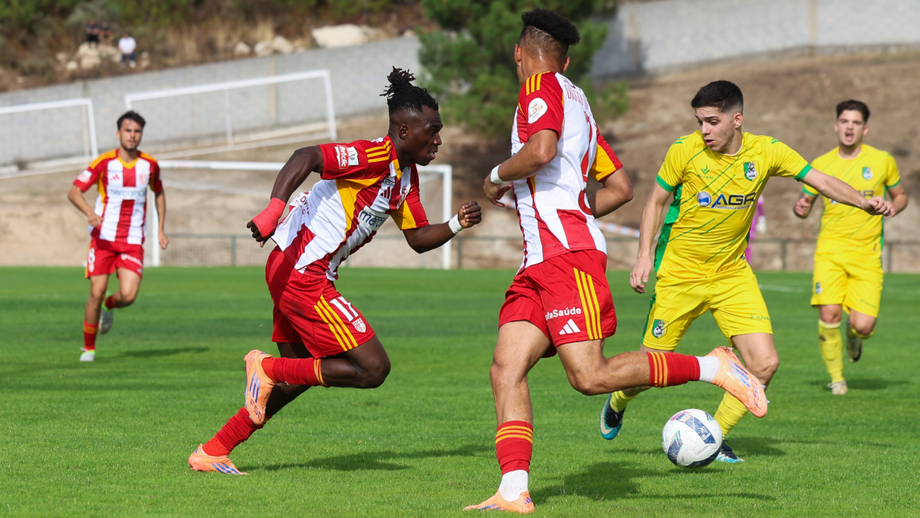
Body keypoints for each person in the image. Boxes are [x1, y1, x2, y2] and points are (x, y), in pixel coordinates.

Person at [465, 12, 769, 514]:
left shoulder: (538, 87)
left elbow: (540, 151)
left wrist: (495, 176)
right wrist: (551, 207)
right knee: (505, 367)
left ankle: (711, 367)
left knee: (590, 377)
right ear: (568, 58)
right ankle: (514, 490)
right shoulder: (578, 102)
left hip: (565, 258)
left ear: (520, 53)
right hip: (540, 260)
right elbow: (620, 189)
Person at [188, 68, 483, 475]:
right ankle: (265, 366)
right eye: (431, 130)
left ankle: (214, 449)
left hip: (290, 270)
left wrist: (455, 224)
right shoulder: (373, 156)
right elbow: (305, 157)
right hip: (303, 275)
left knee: (297, 379)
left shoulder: (405, 177)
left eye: (439, 130)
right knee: (373, 368)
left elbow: (416, 237)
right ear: (402, 129)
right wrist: (274, 209)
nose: (438, 139)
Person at [598, 81, 894, 464]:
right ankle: (618, 400)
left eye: (712, 121)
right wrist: (643, 256)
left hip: (732, 276)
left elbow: (819, 180)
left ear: (737, 120)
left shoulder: (767, 151)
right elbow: (655, 202)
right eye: (699, 121)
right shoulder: (684, 151)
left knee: (764, 363)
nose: (704, 130)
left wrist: (863, 201)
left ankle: (714, 437)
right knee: (645, 372)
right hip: (680, 276)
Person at [793, 100, 908, 395]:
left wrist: (893, 207)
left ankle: (854, 335)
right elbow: (805, 205)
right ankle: (837, 379)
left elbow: (901, 195)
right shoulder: (820, 163)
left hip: (867, 255)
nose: (849, 127)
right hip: (830, 252)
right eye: (844, 121)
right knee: (828, 314)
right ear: (836, 125)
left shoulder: (883, 160)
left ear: (865, 129)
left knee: (864, 326)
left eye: (856, 123)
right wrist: (801, 207)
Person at [68, 111, 168, 362]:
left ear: (141, 135)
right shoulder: (104, 163)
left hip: (133, 240)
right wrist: (90, 213)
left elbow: (159, 193)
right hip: (103, 238)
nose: (132, 135)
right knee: (96, 291)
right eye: (128, 131)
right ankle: (88, 349)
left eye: (137, 131)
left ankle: (109, 307)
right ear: (118, 133)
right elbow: (74, 192)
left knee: (129, 295)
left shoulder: (149, 165)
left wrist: (160, 229)